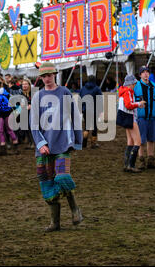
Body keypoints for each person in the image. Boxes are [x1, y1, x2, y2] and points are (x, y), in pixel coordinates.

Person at [30, 62, 83, 232]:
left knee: (62, 177)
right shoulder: (37, 97)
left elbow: (75, 116)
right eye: (44, 76)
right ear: (41, 78)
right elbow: (33, 124)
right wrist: (41, 143)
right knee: (47, 183)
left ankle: (75, 209)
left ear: (55, 75)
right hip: (44, 147)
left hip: (62, 144)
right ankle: (55, 222)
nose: (47, 78)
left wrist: (77, 140)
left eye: (50, 75)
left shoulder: (65, 92)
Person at [134, 66, 155, 170]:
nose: (146, 74)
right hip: (141, 117)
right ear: (140, 75)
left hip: (152, 117)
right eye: (143, 72)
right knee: (141, 140)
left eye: (147, 72)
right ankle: (141, 161)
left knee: (151, 139)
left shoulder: (154, 87)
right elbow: (132, 101)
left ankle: (151, 161)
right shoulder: (136, 86)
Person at [117, 75, 145, 173]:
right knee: (138, 141)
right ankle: (131, 165)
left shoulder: (121, 91)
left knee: (130, 141)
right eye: (134, 83)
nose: (134, 85)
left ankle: (126, 164)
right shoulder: (128, 91)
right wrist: (139, 104)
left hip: (124, 118)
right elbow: (129, 105)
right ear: (130, 83)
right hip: (130, 118)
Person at [0, 77, 19, 155]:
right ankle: (15, 147)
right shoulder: (6, 92)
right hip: (8, 113)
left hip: (2, 115)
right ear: (1, 84)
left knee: (1, 131)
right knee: (9, 130)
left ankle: (3, 147)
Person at [80, 75, 103, 148]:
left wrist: (81, 109)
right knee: (94, 127)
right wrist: (100, 111)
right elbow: (100, 100)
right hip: (94, 110)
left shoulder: (83, 89)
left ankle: (84, 143)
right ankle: (93, 144)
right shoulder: (97, 89)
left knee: (86, 127)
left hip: (85, 110)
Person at [20, 77, 34, 149]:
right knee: (26, 128)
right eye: (23, 84)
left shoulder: (33, 92)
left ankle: (33, 143)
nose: (24, 86)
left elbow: (36, 102)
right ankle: (29, 142)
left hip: (32, 113)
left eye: (26, 84)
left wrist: (31, 105)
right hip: (24, 113)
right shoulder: (21, 93)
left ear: (29, 84)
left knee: (31, 128)